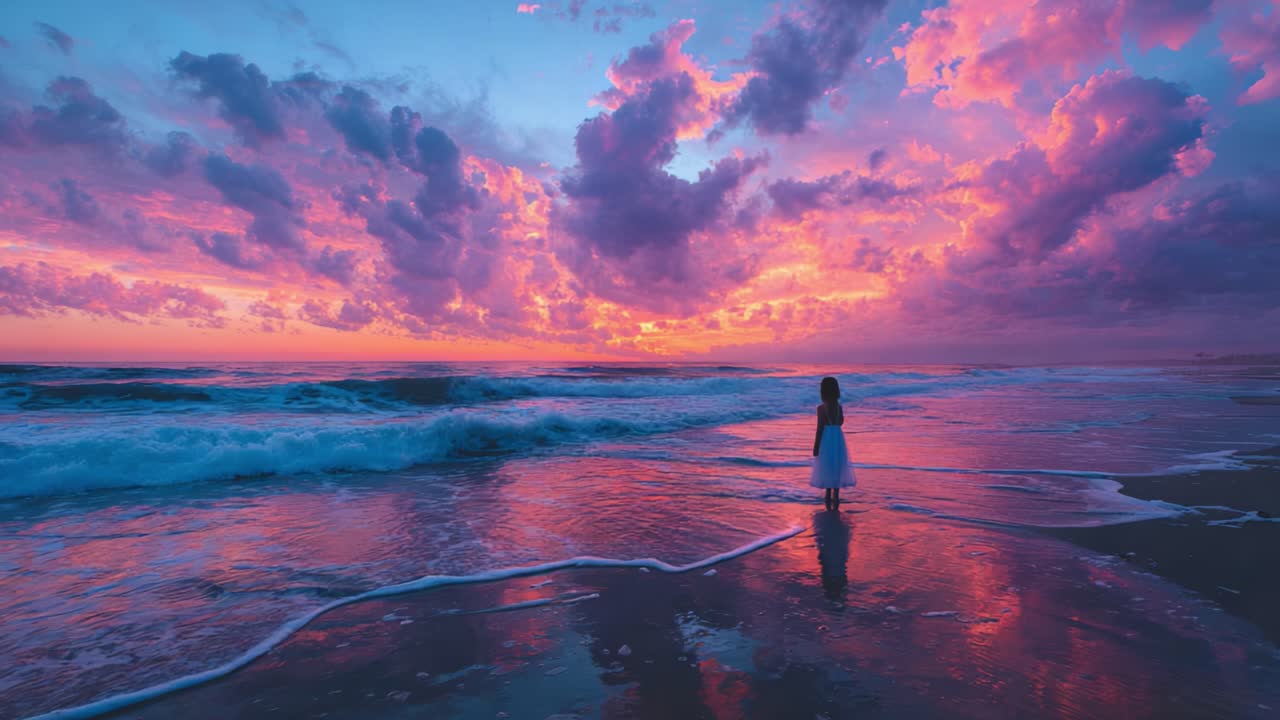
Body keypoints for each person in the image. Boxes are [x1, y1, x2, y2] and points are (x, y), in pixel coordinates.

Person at [811, 376, 856, 508]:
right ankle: (836, 497)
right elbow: (840, 422)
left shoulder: (821, 408)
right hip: (837, 439)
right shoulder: (838, 407)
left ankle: (827, 497)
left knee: (827, 466)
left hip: (826, 439)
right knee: (837, 466)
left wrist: (816, 446)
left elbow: (819, 428)